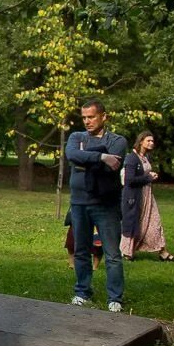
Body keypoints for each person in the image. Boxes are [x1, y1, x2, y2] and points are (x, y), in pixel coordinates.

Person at [65, 98, 128, 312]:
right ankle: (82, 292)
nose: (87, 121)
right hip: (79, 202)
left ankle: (115, 298)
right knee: (81, 250)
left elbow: (111, 167)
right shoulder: (76, 137)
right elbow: (72, 155)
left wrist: (86, 161)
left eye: (91, 117)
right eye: (84, 117)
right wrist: (101, 156)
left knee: (112, 253)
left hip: (105, 203)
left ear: (104, 116)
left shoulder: (118, 140)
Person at [121, 131, 174, 262]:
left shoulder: (145, 157)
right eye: (148, 141)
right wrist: (148, 178)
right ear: (141, 141)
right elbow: (129, 180)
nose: (151, 143)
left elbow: (142, 174)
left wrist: (150, 176)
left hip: (147, 195)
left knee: (154, 221)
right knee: (133, 223)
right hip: (134, 197)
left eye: (152, 141)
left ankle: (162, 251)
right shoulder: (132, 158)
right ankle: (127, 251)